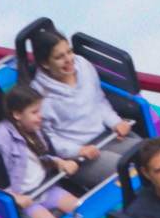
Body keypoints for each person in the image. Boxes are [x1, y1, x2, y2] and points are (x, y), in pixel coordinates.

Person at [18, 19, 133, 188]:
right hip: (79, 156)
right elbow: (48, 140)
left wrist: (115, 122)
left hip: (106, 136)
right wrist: (78, 151)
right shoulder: (38, 97)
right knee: (129, 171)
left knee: (148, 154)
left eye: (69, 52)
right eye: (59, 57)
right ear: (44, 63)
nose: (68, 60)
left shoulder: (83, 66)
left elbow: (98, 100)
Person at [0, 83, 82, 218]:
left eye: (39, 110)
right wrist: (14, 197)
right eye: (34, 112)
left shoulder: (31, 128)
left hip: (46, 188)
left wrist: (59, 162)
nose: (40, 116)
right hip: (27, 200)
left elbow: (40, 155)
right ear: (17, 114)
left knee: (85, 212)